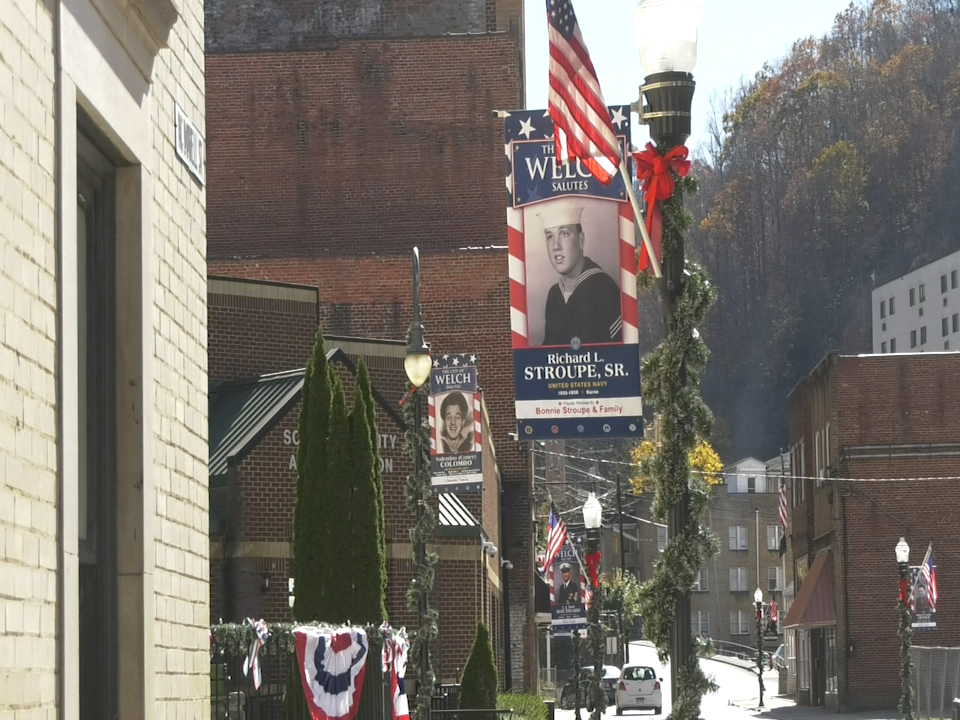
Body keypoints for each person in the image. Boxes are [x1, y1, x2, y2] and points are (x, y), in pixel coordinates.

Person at [537, 202, 622, 347]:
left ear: (580, 240)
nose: (556, 246)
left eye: (564, 234)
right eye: (550, 237)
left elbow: (619, 354)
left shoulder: (604, 288)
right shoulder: (554, 294)